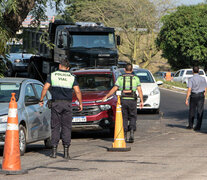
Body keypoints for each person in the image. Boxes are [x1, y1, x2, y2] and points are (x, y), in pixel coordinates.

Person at [39, 59, 82, 159]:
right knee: (67, 127)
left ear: (59, 66)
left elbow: (45, 88)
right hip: (67, 105)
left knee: (55, 127)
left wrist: (41, 99)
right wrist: (80, 103)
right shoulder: (71, 77)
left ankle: (54, 152)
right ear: (68, 68)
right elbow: (78, 91)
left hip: (56, 104)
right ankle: (66, 153)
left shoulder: (53, 75)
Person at [102, 63, 144, 143]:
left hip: (123, 100)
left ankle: (124, 134)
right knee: (132, 116)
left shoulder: (120, 79)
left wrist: (106, 96)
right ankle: (132, 131)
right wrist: (141, 101)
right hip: (132, 100)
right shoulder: (136, 79)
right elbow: (139, 90)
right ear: (132, 70)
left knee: (124, 117)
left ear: (125, 70)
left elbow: (114, 88)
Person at [185, 66, 207, 131]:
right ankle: (198, 126)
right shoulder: (203, 78)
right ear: (199, 71)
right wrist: (204, 94)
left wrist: (186, 99)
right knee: (200, 111)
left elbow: (189, 89)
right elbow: (205, 88)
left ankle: (190, 125)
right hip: (201, 95)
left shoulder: (191, 79)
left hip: (194, 95)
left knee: (192, 111)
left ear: (192, 71)